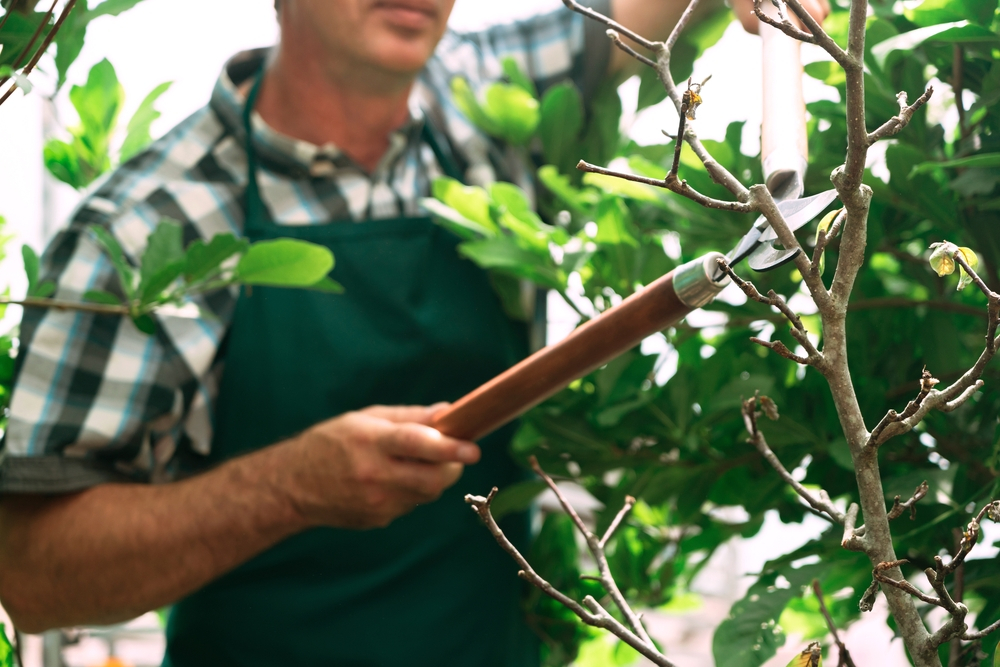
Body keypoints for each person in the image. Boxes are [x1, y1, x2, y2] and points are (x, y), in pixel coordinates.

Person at [0, 0, 827, 665]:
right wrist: (285, 486)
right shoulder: (151, 227)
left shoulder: (478, 106)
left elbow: (643, 14)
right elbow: (34, 575)